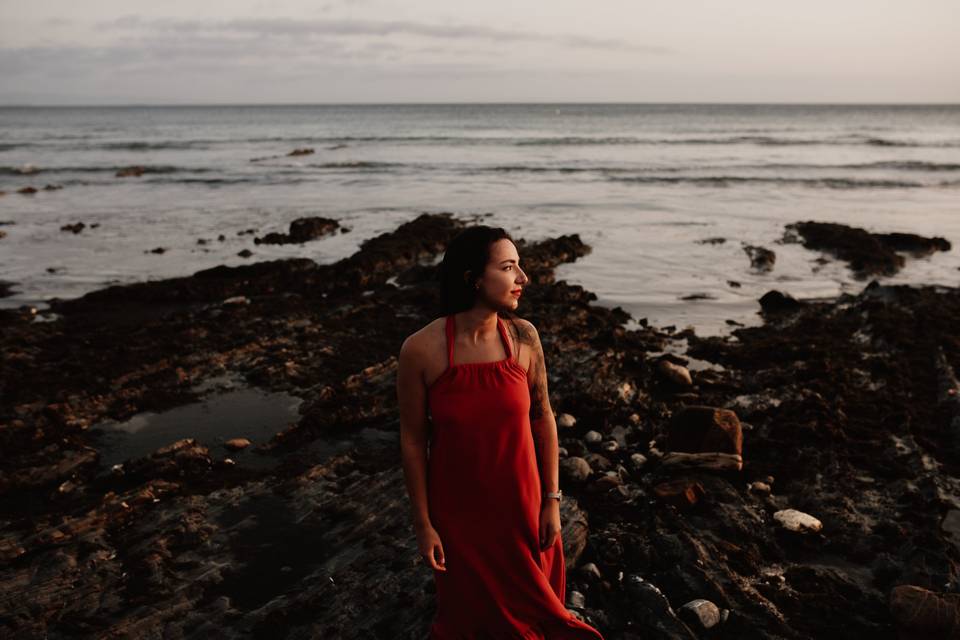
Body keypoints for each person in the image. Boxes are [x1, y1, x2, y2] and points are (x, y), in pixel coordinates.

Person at [397, 225, 606, 638]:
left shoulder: (523, 338)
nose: (522, 278)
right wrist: (423, 524)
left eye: (520, 266)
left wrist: (551, 500)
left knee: (535, 620)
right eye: (509, 267)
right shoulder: (420, 350)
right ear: (473, 278)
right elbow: (412, 440)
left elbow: (543, 418)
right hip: (460, 519)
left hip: (523, 509)